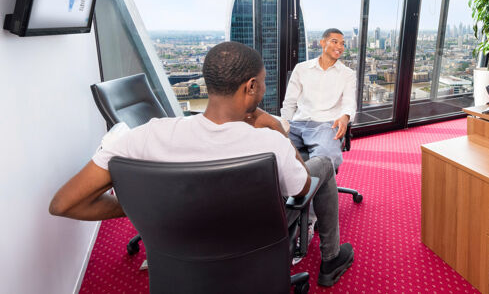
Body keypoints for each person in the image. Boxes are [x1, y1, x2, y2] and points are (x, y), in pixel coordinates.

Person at [49, 42, 354, 287]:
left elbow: (64, 204)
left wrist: (146, 204)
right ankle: (331, 258)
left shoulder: (142, 138)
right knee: (324, 163)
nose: (263, 89)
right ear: (250, 88)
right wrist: (274, 127)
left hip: (179, 251)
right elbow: (301, 188)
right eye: (262, 84)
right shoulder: (269, 143)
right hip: (254, 244)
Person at [281, 28, 356, 171]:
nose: (339, 47)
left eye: (342, 44)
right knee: (270, 146)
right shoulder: (302, 68)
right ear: (322, 42)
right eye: (335, 42)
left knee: (326, 158)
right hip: (297, 124)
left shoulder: (348, 74)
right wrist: (285, 126)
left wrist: (345, 117)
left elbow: (349, 102)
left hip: (325, 126)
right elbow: (289, 102)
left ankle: (309, 189)